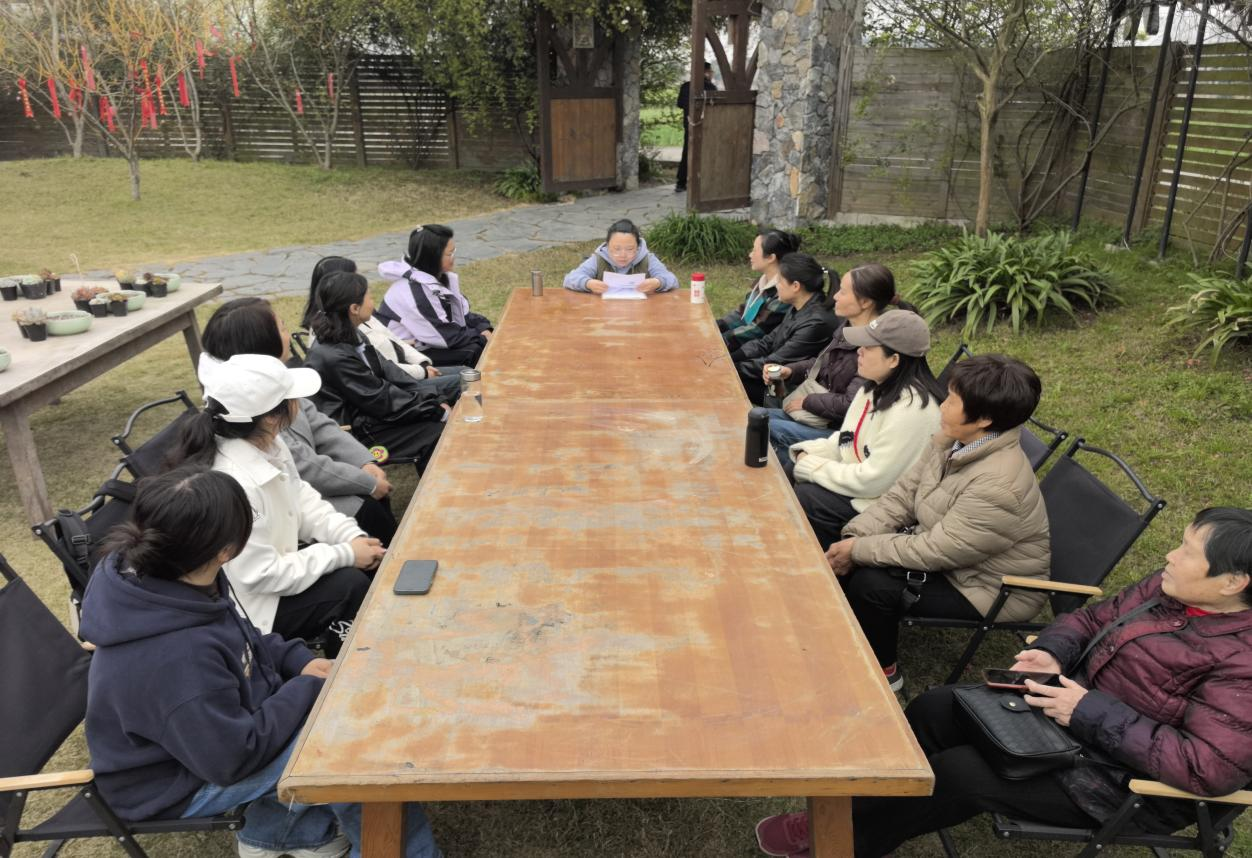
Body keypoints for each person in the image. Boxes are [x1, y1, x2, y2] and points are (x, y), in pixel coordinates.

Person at [755, 507, 1252, 858]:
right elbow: (1087, 619)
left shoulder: (1243, 662)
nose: (1170, 555)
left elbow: (1208, 768)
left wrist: (1087, 710)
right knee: (935, 707)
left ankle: (844, 843)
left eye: (1187, 551)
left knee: (960, 775)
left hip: (1121, 782)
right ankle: (852, 808)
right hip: (1066, 717)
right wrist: (1052, 652)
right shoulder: (1168, 592)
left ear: (1233, 583)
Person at [80, 467, 441, 858]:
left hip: (212, 740)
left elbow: (245, 637)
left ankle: (286, 836)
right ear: (226, 550)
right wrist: (306, 690)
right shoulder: (175, 656)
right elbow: (233, 759)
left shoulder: (173, 581)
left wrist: (297, 661)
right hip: (175, 783)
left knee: (343, 714)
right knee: (351, 746)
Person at [825, 353, 1051, 691]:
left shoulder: (998, 486)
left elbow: (936, 551)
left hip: (987, 586)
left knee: (872, 584)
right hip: (952, 554)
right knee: (846, 532)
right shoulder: (953, 441)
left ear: (984, 419)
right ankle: (844, 631)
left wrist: (858, 550)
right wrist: (856, 535)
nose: (942, 405)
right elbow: (904, 494)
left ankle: (885, 673)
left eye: (953, 400)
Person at [171, 353, 384, 657]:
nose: (299, 403)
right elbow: (259, 575)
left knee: (360, 558)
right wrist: (345, 554)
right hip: (252, 608)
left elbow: (301, 497)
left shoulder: (269, 442)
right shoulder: (235, 483)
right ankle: (351, 666)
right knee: (349, 587)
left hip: (276, 573)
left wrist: (350, 536)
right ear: (271, 416)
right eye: (292, 397)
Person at [202, 297, 398, 546]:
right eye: (282, 328)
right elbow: (303, 465)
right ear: (260, 343)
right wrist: (366, 482)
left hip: (303, 489)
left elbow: (318, 422)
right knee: (368, 509)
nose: (288, 334)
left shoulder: (274, 381)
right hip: (289, 501)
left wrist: (362, 462)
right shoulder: (253, 404)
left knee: (374, 501)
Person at [786, 311, 944, 548]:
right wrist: (806, 454)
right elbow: (845, 441)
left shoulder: (913, 411)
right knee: (790, 464)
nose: (859, 351)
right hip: (860, 483)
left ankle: (823, 561)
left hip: (880, 505)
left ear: (894, 360)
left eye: (868, 347)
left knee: (810, 496)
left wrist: (810, 466)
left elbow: (873, 481)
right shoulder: (873, 388)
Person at [305, 271, 452, 470]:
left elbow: (389, 371)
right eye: (369, 296)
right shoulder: (334, 356)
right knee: (438, 432)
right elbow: (380, 399)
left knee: (443, 407)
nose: (372, 301)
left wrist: (432, 397)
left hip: (368, 415)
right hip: (353, 434)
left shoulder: (351, 334)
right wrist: (433, 410)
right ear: (354, 308)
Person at [763, 263, 906, 457]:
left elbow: (852, 404)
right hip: (820, 416)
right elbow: (824, 364)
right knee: (755, 418)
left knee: (765, 428)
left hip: (841, 431)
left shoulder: (875, 347)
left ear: (865, 302)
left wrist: (808, 402)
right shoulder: (847, 327)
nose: (835, 296)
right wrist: (790, 370)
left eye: (843, 292)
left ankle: (789, 473)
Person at [304, 256, 461, 383]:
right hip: (397, 381)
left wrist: (423, 363)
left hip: (407, 372)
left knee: (464, 372)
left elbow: (392, 338)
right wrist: (422, 372)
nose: (360, 281)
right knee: (464, 379)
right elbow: (378, 369)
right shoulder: (334, 331)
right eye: (354, 276)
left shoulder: (359, 317)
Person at [376, 224, 494, 367]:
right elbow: (445, 337)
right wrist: (481, 337)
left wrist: (482, 327)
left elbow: (461, 313)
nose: (454, 258)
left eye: (454, 251)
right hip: (407, 355)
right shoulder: (414, 292)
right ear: (432, 257)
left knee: (483, 342)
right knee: (474, 351)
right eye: (450, 254)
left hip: (430, 341)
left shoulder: (435, 277)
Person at [734, 253, 839, 405]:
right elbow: (767, 342)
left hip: (792, 392)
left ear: (796, 286)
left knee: (727, 382)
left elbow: (775, 362)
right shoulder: (799, 306)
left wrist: (731, 369)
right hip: (776, 380)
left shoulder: (816, 323)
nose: (776, 286)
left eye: (780, 281)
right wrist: (732, 357)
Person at [717, 229, 802, 353]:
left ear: (771, 258)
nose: (750, 255)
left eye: (755, 250)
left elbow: (758, 330)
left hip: (761, 353)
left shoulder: (783, 293)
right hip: (745, 345)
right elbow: (743, 313)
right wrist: (717, 326)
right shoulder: (763, 281)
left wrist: (721, 340)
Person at [563, 219, 679, 295]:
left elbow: (672, 280)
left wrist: (658, 282)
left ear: (638, 247)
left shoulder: (647, 259)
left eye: (629, 249)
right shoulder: (598, 259)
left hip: (641, 312)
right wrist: (588, 283)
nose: (623, 255)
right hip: (603, 312)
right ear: (607, 246)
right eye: (616, 249)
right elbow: (569, 279)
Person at [675, 61, 717, 192]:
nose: (711, 74)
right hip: (706, 126)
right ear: (706, 72)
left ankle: (681, 183)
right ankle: (704, 183)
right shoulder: (710, 88)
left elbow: (680, 104)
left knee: (687, 152)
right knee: (706, 154)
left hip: (689, 124)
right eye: (710, 72)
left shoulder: (685, 86)